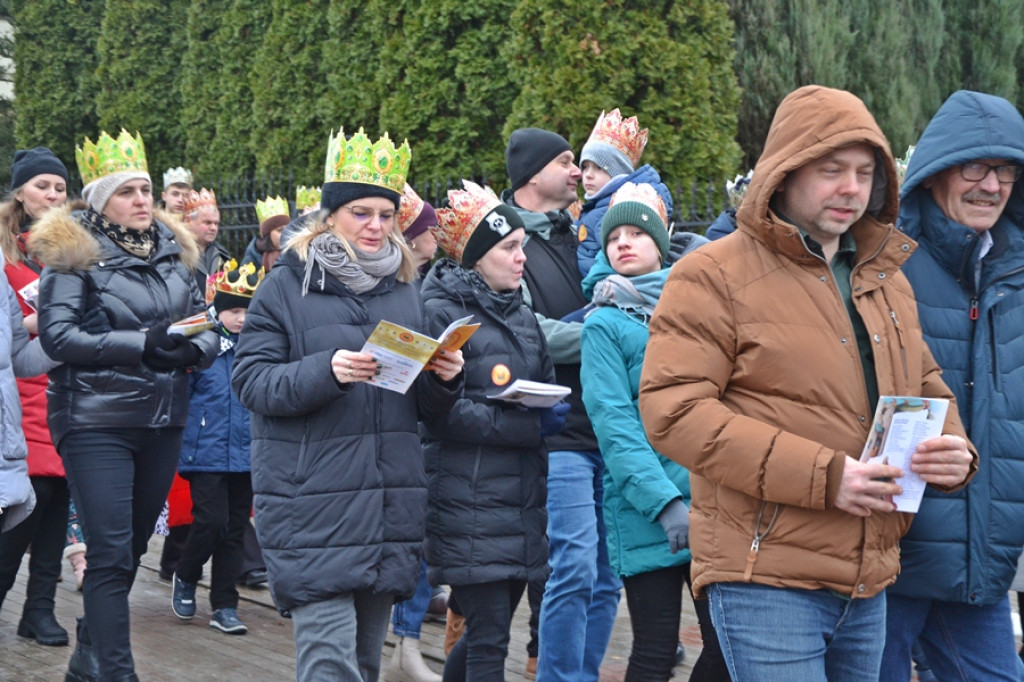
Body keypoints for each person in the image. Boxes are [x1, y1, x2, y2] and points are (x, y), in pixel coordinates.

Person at [638, 85, 977, 682]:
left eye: (866, 173)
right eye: (831, 170)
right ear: (783, 172)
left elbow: (924, 380)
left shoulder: (885, 278)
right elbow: (675, 412)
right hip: (763, 574)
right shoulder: (711, 273)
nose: (852, 188)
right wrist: (827, 477)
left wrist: (954, 447)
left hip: (869, 574)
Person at [231, 127, 464, 682]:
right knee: (329, 662)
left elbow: (421, 402)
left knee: (362, 662)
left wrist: (444, 377)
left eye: (386, 215)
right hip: (312, 502)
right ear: (330, 215)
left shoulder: (406, 287)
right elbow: (253, 382)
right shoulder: (285, 285)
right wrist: (326, 370)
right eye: (361, 212)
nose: (376, 227)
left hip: (387, 504)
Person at [32, 128, 220, 682]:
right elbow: (56, 338)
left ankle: (91, 650)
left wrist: (189, 350)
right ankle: (117, 671)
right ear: (99, 200)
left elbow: (207, 327)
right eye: (127, 191)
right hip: (94, 420)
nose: (143, 200)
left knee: (132, 546)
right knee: (111, 554)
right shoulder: (73, 256)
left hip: (163, 418)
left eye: (145, 189)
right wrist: (143, 343)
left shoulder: (177, 253)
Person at [879, 91, 1024, 682]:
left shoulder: (1015, 271)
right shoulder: (882, 264)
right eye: (976, 166)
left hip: (980, 567)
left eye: (1007, 170)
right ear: (936, 172)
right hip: (890, 559)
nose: (992, 185)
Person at [580, 182, 729, 682]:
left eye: (635, 233)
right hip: (646, 507)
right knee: (656, 649)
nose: (623, 241)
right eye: (613, 235)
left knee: (727, 646)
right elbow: (614, 424)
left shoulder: (695, 307)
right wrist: (664, 505)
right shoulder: (603, 322)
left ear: (661, 243)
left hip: (710, 499)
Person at [420, 180, 564, 681]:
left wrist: (550, 411)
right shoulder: (439, 312)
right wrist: (523, 427)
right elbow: (436, 412)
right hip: (469, 500)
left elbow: (545, 383)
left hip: (522, 501)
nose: (521, 258)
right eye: (509, 247)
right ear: (479, 255)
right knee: (490, 639)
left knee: (490, 632)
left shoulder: (522, 315)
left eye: (521, 245)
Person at [501, 127, 620, 682]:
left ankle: (582, 674)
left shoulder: (583, 238)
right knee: (570, 567)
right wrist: (608, 329)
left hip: (610, 427)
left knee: (608, 574)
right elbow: (529, 333)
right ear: (531, 174)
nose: (579, 172)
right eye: (567, 162)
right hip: (558, 430)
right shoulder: (507, 244)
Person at [0, 147, 72, 647]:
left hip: (64, 393)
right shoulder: (5, 255)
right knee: (23, 506)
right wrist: (44, 319)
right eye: (43, 185)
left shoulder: (73, 252)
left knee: (58, 503)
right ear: (20, 192)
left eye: (60, 188)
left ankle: (40, 608)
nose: (51, 195)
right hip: (16, 401)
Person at [169, 260, 264, 636]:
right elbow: (182, 397)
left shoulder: (258, 348)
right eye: (234, 310)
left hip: (245, 452)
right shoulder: (201, 347)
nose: (241, 319)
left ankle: (225, 605)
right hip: (204, 450)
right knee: (210, 521)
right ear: (217, 310)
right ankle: (187, 574)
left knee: (235, 530)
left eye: (247, 311)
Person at [383, 182, 443, 682]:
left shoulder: (425, 282)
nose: (437, 233)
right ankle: (399, 639)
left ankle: (408, 641)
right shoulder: (403, 287)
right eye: (427, 226)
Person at [575, 109, 673, 278]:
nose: (588, 175)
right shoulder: (595, 207)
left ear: (617, 171)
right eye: (585, 167)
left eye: (599, 167)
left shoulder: (612, 209)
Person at [183, 187, 231, 294]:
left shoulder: (223, 257)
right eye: (207, 223)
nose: (213, 228)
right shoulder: (177, 255)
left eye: (216, 223)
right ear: (188, 221)